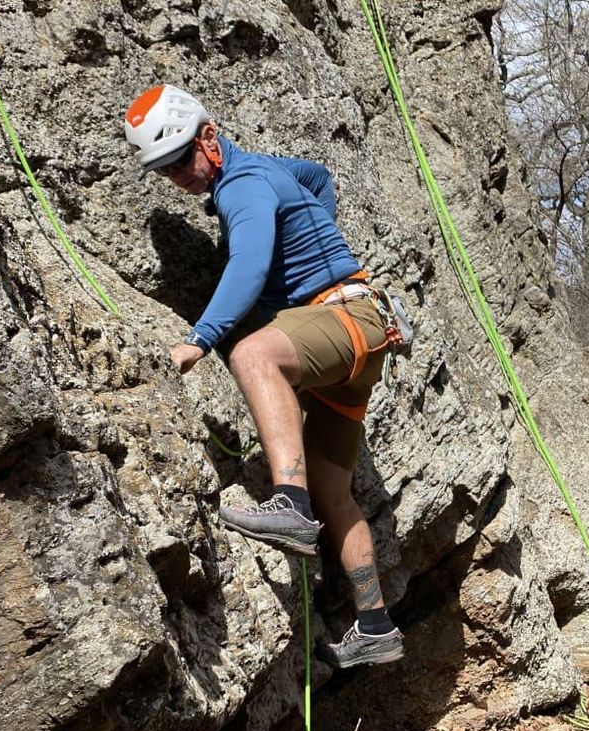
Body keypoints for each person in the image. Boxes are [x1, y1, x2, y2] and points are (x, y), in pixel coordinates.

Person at [124, 84, 404, 668]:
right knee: (336, 491)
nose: (179, 176)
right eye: (164, 170)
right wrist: (314, 227)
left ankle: (288, 504)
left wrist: (198, 340)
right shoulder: (269, 172)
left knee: (252, 354)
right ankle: (375, 624)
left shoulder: (242, 187)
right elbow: (319, 176)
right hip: (359, 336)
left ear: (209, 136)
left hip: (347, 317)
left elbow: (248, 263)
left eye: (182, 160)